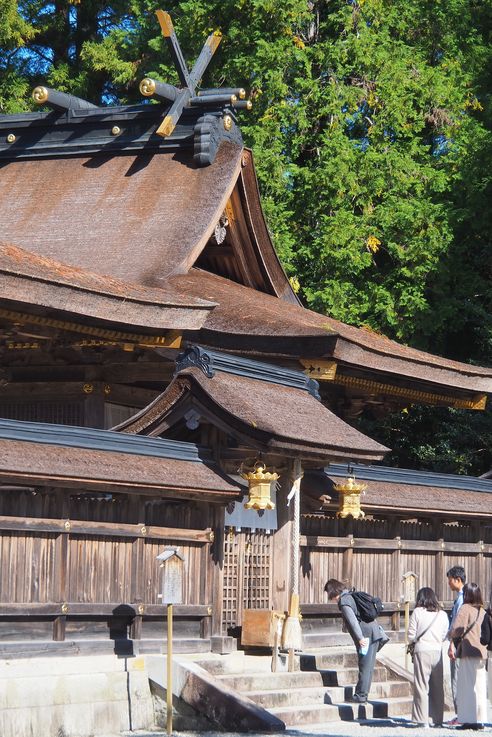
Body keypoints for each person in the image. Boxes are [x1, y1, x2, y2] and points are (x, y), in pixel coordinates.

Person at [325, 578, 388, 703]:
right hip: (374, 631)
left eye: (328, 592)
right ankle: (363, 694)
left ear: (332, 592)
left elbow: (353, 622)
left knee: (364, 665)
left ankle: (360, 695)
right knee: (368, 666)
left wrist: (360, 638)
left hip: (365, 635)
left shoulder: (344, 602)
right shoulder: (351, 595)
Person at [407, 587, 449, 728]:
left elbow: (411, 636)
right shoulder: (442, 614)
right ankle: (437, 719)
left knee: (421, 686)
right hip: (437, 651)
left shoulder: (417, 613)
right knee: (437, 686)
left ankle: (422, 719)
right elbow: (445, 634)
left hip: (422, 651)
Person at [449, 582, 486, 731]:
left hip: (468, 652)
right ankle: (481, 719)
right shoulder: (482, 611)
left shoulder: (465, 608)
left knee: (467, 687)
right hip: (481, 653)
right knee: (480, 687)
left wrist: (449, 636)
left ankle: (469, 720)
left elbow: (456, 629)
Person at [446, 564, 466, 725]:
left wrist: (451, 643)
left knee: (457, 679)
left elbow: (456, 624)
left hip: (459, 643)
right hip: (468, 644)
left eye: (450, 580)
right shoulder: (470, 596)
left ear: (458, 580)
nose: (449, 583)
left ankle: (461, 714)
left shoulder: (461, 600)